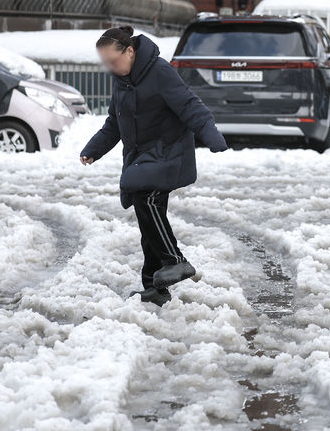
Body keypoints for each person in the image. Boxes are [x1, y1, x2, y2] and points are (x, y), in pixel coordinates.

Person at [80, 25, 228, 306]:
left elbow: (189, 105)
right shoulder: (121, 80)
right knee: (148, 217)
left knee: (145, 201)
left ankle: (176, 261)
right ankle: (155, 287)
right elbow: (114, 122)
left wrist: (210, 133)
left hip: (167, 152)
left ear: (131, 51)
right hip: (142, 156)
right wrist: (94, 149)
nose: (110, 67)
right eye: (106, 62)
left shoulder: (160, 72)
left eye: (114, 60)